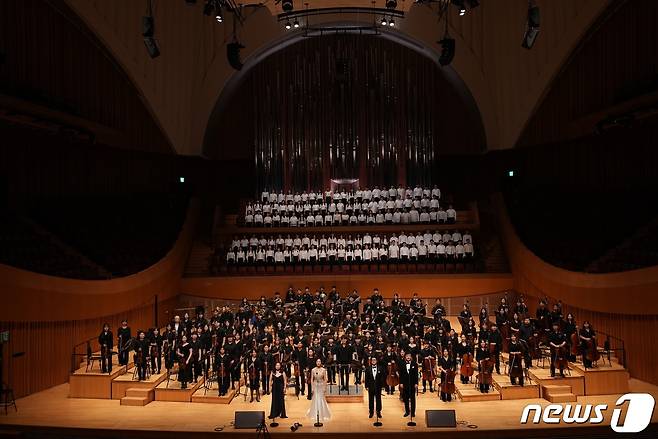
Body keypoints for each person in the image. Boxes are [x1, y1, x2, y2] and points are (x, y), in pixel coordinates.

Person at [399, 352, 418, 418]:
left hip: (412, 383)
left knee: (413, 399)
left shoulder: (414, 364)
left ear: (411, 357)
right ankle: (407, 412)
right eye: (407, 356)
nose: (408, 357)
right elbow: (401, 374)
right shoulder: (402, 364)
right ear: (405, 357)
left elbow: (416, 375)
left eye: (409, 356)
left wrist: (416, 383)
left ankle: (412, 412)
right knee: (406, 399)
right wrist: (401, 383)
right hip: (405, 383)